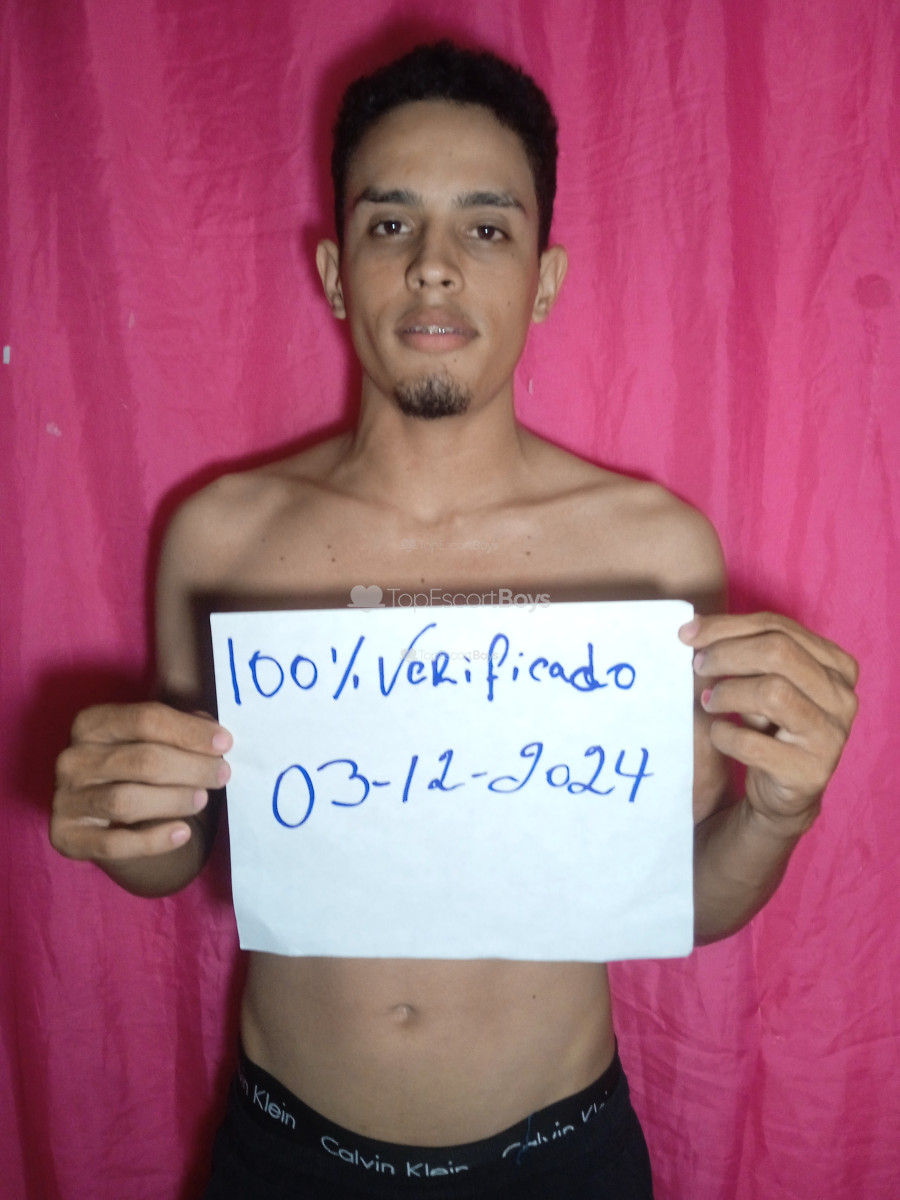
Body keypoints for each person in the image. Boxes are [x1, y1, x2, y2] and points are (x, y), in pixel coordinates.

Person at [50, 41, 858, 1200]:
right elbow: (182, 853)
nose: (434, 267)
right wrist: (124, 815)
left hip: (558, 1160)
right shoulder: (219, 534)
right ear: (336, 273)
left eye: (486, 228)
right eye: (391, 225)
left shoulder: (651, 552)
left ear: (544, 279)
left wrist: (780, 814)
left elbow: (687, 894)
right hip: (287, 1155)